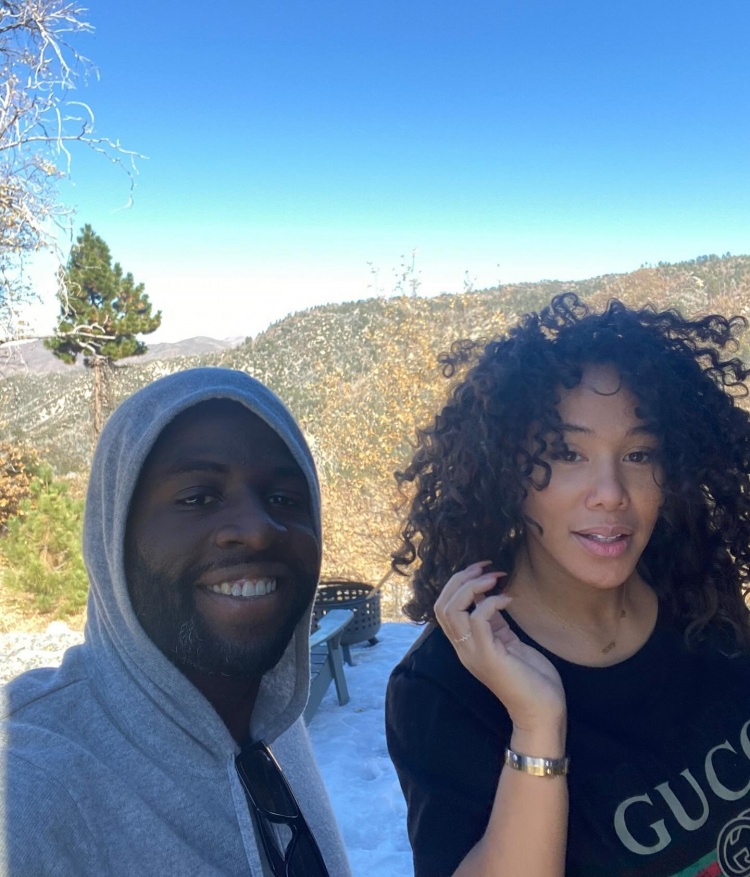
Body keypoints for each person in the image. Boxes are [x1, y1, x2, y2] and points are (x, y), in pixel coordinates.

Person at [385, 293, 750, 877]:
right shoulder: (444, 688)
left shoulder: (698, 592)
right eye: (568, 453)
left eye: (639, 454)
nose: (611, 493)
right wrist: (537, 725)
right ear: (509, 471)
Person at [0, 367, 351, 877]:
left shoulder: (274, 721)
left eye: (284, 498)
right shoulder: (32, 786)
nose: (258, 530)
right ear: (114, 537)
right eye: (198, 498)